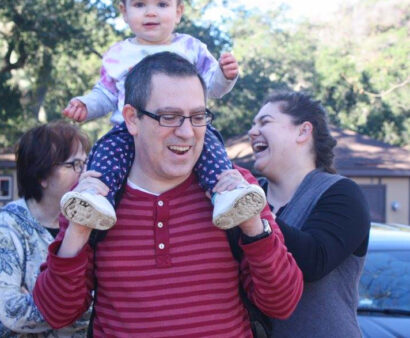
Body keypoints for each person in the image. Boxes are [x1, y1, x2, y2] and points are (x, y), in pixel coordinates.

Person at [33, 52, 303, 337]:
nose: (187, 132)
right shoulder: (91, 199)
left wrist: (251, 226)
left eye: (198, 117)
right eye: (170, 117)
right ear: (132, 119)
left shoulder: (236, 188)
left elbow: (281, 303)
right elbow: (57, 313)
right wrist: (79, 229)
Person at [60, 0, 266, 232]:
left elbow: (213, 88)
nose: (151, 12)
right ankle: (96, 199)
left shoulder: (190, 48)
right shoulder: (119, 54)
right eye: (139, 4)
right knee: (106, 156)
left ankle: (226, 193)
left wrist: (226, 76)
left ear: (178, 12)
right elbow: (106, 93)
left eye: (162, 4)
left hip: (186, 127)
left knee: (211, 149)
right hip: (128, 131)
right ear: (124, 11)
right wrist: (85, 105)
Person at [245, 90, 370, 337]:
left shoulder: (342, 193)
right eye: (253, 124)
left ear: (303, 131)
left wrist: (251, 216)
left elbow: (314, 260)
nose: (252, 132)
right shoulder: (251, 191)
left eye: (265, 122)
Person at [0, 121, 91, 337]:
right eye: (74, 164)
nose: (85, 172)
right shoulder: (8, 226)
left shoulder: (92, 223)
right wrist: (81, 308)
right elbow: (12, 312)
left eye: (86, 163)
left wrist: (37, 300)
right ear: (41, 176)